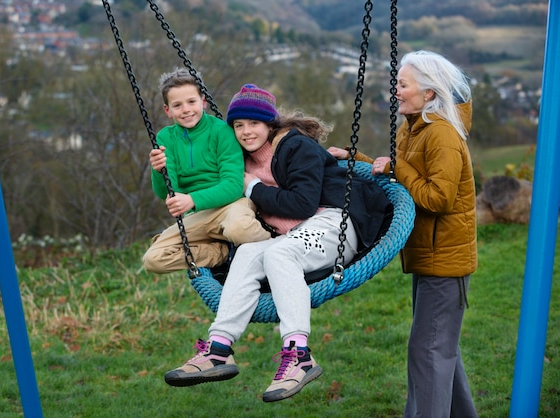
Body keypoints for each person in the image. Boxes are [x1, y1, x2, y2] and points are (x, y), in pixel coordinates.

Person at [164, 84, 392, 402]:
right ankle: (218, 350)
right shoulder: (242, 158)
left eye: (254, 124)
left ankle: (299, 354)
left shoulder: (297, 147)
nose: (245, 132)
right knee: (248, 252)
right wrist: (167, 162)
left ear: (271, 124)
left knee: (280, 255)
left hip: (337, 220)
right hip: (301, 232)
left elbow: (301, 204)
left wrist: (253, 187)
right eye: (238, 126)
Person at [330, 50, 478, 417]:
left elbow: (437, 198)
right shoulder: (412, 127)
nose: (396, 90)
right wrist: (356, 160)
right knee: (439, 349)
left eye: (403, 84)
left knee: (427, 351)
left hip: (445, 262)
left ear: (429, 93)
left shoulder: (440, 134)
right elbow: (397, 177)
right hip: (428, 256)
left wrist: (396, 169)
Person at [142, 68, 271, 274]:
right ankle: (220, 254)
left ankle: (276, 249)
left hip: (231, 205)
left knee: (239, 228)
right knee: (153, 259)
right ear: (168, 110)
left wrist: (191, 199)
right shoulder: (166, 138)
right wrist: (158, 170)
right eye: (177, 105)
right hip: (199, 216)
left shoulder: (222, 131)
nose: (186, 109)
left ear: (203, 101)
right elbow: (167, 191)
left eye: (191, 102)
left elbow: (233, 185)